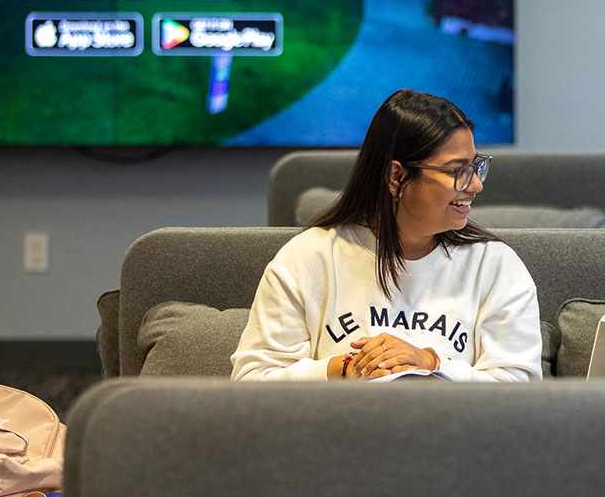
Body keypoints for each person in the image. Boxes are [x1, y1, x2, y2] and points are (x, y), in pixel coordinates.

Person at [231, 89, 541, 382]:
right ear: (397, 176)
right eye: (457, 170)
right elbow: (251, 381)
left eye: (476, 167)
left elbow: (521, 389)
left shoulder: (495, 266)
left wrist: (433, 364)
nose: (475, 185)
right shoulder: (307, 258)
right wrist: (343, 368)